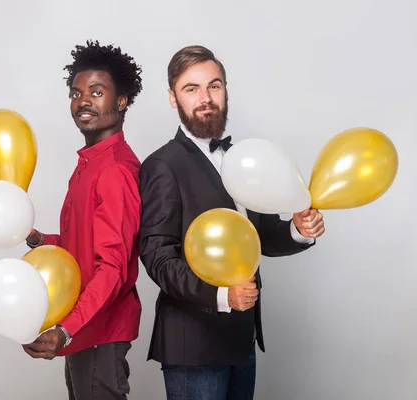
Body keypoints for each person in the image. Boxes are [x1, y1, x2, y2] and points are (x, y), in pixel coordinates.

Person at [138, 45, 325, 400]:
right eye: (191, 89)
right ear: (172, 98)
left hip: (242, 340)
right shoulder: (162, 165)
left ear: (225, 90)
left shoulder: (244, 159)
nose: (206, 98)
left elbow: (260, 237)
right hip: (193, 347)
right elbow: (158, 257)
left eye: (214, 85)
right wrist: (222, 296)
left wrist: (298, 230)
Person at [22, 40, 144, 400]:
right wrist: (40, 240)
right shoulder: (90, 164)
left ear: (121, 101)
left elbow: (112, 267)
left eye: (96, 92)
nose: (83, 101)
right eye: (76, 93)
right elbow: (83, 246)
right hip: (84, 330)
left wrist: (66, 329)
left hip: (98, 331)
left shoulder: (116, 170)